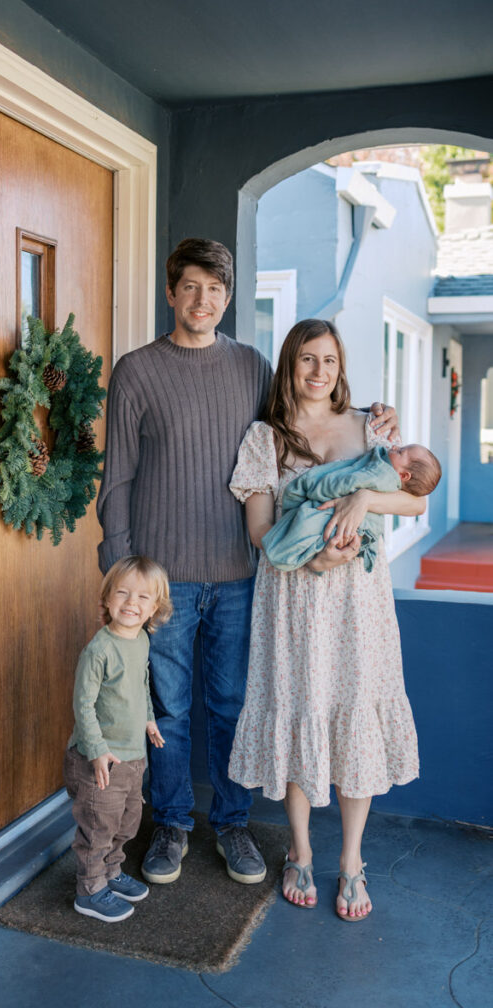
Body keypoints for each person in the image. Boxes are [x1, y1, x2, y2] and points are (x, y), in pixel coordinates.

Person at [96, 238, 398, 887]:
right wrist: (117, 561)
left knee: (232, 706)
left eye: (215, 289)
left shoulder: (253, 366)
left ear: (226, 299)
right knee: (169, 709)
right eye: (191, 287)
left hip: (241, 573)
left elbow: (314, 404)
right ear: (171, 291)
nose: (202, 300)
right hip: (161, 576)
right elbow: (116, 475)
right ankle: (173, 823)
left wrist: (379, 413)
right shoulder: (136, 370)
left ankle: (231, 824)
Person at [228, 318, 424, 921]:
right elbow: (260, 533)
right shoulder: (266, 437)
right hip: (293, 598)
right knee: (300, 710)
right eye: (308, 360)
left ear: (342, 369)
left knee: (353, 715)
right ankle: (302, 851)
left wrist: (364, 499)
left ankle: (352, 863)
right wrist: (313, 558)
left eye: (330, 362)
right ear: (290, 366)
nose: (319, 372)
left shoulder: (371, 426)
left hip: (359, 604)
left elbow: (415, 496)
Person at [64, 555, 172, 922]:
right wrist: (96, 751)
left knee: (127, 821)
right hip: (101, 761)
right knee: (99, 825)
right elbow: (83, 704)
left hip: (133, 756)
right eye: (123, 593)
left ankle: (111, 872)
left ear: (155, 607)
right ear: (107, 599)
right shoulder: (99, 650)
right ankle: (90, 889)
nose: (132, 603)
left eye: (143, 598)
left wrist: (148, 719)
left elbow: (140, 685)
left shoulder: (140, 639)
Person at [263, 442, 441, 573]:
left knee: (306, 525)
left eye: (401, 451)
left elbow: (349, 482)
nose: (394, 446)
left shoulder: (382, 474)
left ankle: (284, 554)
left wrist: (319, 489)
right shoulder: (388, 471)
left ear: (403, 475)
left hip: (343, 541)